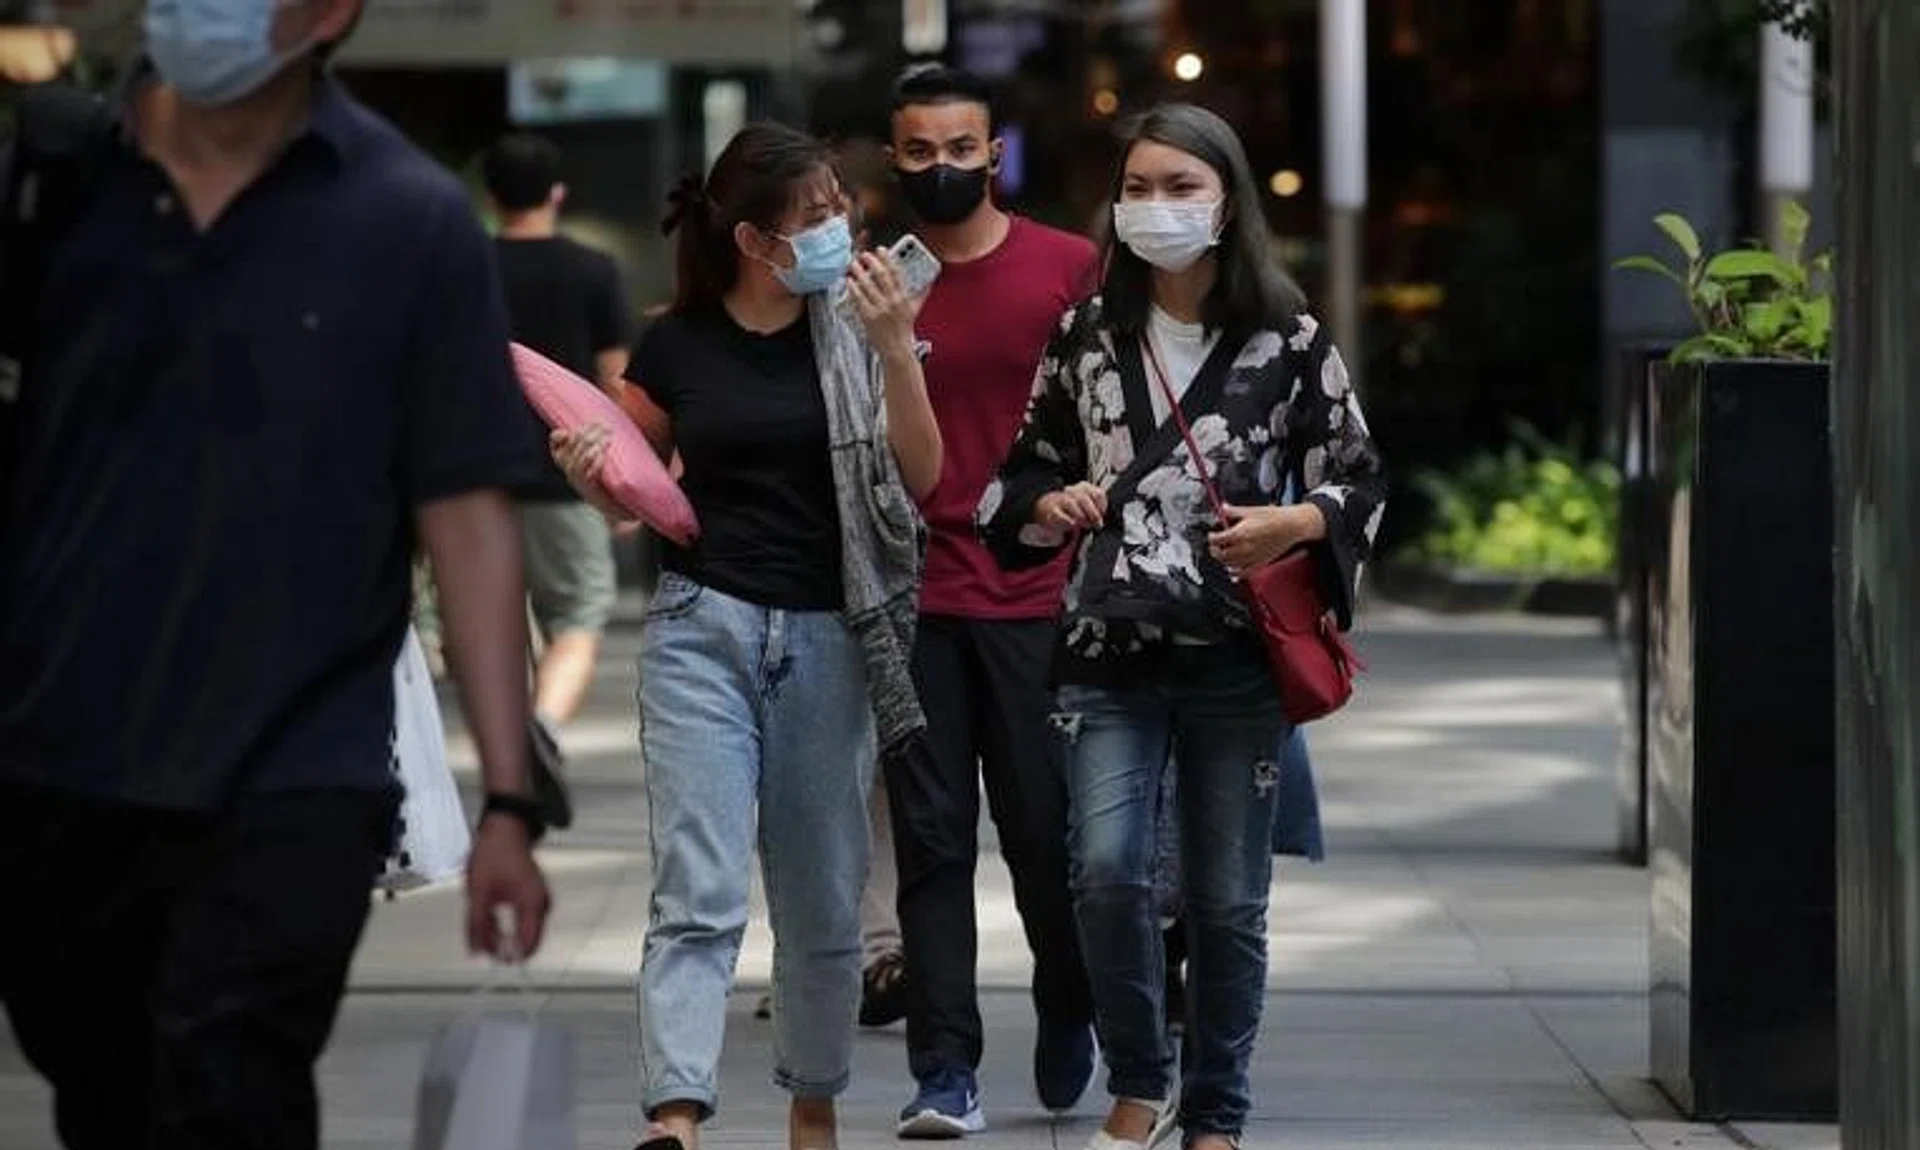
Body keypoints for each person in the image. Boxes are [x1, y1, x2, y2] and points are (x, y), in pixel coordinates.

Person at [0, 4, 553, 1149]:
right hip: (62, 759)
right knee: (104, 1098)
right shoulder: (55, 182)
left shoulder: (406, 217)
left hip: (297, 763)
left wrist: (507, 797)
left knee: (233, 1082)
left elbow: (465, 511)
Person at [976, 102, 1386, 1150]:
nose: (1156, 206)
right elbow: (1018, 476)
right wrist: (1051, 501)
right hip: (1108, 646)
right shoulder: (1087, 333)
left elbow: (1360, 478)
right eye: (1139, 188)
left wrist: (1294, 522)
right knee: (1105, 870)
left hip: (1237, 655)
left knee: (1228, 899)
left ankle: (1216, 1111)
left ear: (1227, 203)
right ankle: (1139, 1076)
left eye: (1181, 186)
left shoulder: (1289, 340)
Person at [550, 120, 941, 1150]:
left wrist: (896, 347)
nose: (838, 228)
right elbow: (631, 488)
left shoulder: (862, 324)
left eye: (840, 208)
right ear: (754, 240)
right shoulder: (676, 342)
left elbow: (924, 476)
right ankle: (675, 1116)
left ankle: (813, 1104)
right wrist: (586, 473)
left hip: (830, 636)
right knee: (698, 886)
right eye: (814, 215)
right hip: (702, 629)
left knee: (821, 902)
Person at [877, 63, 1101, 1138]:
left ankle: (1068, 998)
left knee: (1045, 836)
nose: (943, 167)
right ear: (894, 160)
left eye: (960, 148)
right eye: (920, 151)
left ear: (994, 153)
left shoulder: (1068, 268)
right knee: (930, 842)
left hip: (1037, 595)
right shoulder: (877, 284)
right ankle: (944, 1069)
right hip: (914, 599)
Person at [481, 131, 631, 737]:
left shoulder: (465, 267)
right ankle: (543, 724)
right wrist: (623, 482)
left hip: (479, 479)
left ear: (491, 198)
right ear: (558, 194)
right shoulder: (593, 269)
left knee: (493, 619)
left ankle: (513, 738)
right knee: (577, 614)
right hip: (568, 473)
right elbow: (614, 381)